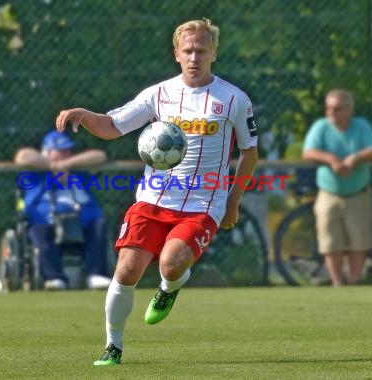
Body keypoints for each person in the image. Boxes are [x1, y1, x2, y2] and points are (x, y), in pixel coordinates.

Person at [56, 18, 259, 365]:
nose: (194, 57)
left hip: (202, 204)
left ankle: (170, 287)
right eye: (188, 50)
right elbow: (112, 125)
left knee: (170, 264)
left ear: (214, 54)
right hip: (152, 200)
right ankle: (113, 347)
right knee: (128, 269)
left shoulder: (234, 99)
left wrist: (233, 202)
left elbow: (249, 153)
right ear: (176, 55)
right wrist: (84, 115)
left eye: (201, 50)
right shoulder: (159, 94)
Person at [303, 89, 372, 286]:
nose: (332, 113)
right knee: (330, 243)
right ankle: (338, 283)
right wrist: (332, 160)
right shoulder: (321, 126)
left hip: (358, 193)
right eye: (329, 108)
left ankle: (354, 282)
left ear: (349, 109)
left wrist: (354, 159)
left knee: (360, 242)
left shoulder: (361, 126)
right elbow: (309, 152)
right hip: (329, 194)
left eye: (337, 109)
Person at [14, 130, 112, 290]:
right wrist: (52, 166)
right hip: (47, 219)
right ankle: (54, 278)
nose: (67, 153)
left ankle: (96, 274)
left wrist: (65, 165)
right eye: (61, 150)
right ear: (47, 151)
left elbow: (100, 155)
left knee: (98, 225)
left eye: (68, 149)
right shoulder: (36, 170)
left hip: (82, 220)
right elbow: (23, 156)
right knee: (40, 232)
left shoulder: (78, 169)